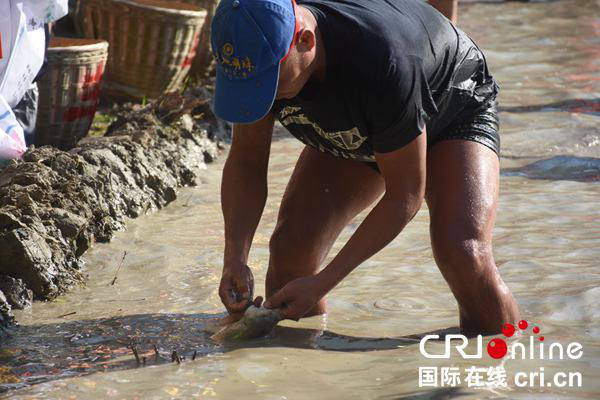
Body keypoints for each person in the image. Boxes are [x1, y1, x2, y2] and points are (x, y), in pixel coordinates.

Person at [211, 0, 520, 334]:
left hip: (451, 104)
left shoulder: (384, 60)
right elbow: (247, 161)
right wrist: (235, 257)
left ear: (305, 41)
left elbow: (405, 196)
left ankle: (497, 369)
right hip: (367, 119)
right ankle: (306, 373)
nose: (264, 98)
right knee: (291, 252)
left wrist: (323, 282)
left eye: (270, 83)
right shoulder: (254, 51)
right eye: (252, 86)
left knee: (463, 253)